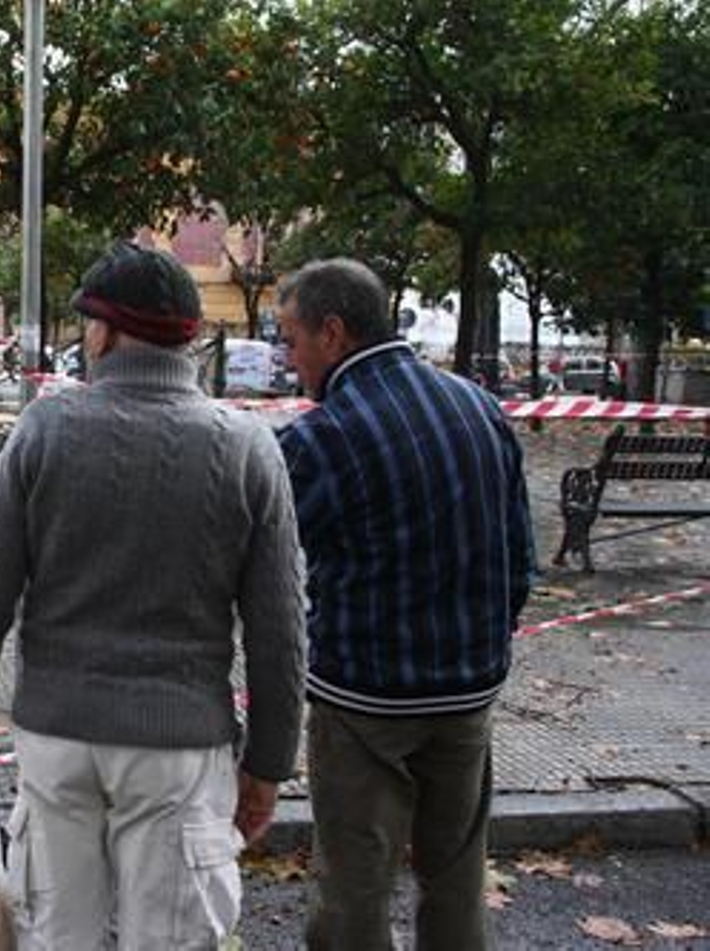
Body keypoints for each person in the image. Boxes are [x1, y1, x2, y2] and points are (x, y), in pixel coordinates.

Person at [0, 242, 307, 949]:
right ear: (192, 338)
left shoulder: (44, 428)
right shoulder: (246, 446)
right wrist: (267, 765)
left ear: (103, 333)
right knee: (170, 936)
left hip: (56, 738)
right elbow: (279, 631)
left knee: (57, 933)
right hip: (180, 748)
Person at [274, 259, 534, 951]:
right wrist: (488, 643)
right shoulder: (479, 406)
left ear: (333, 333)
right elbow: (520, 554)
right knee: (456, 880)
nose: (288, 358)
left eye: (291, 339)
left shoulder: (322, 437)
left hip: (366, 702)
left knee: (355, 887)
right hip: (469, 690)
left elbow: (265, 557)